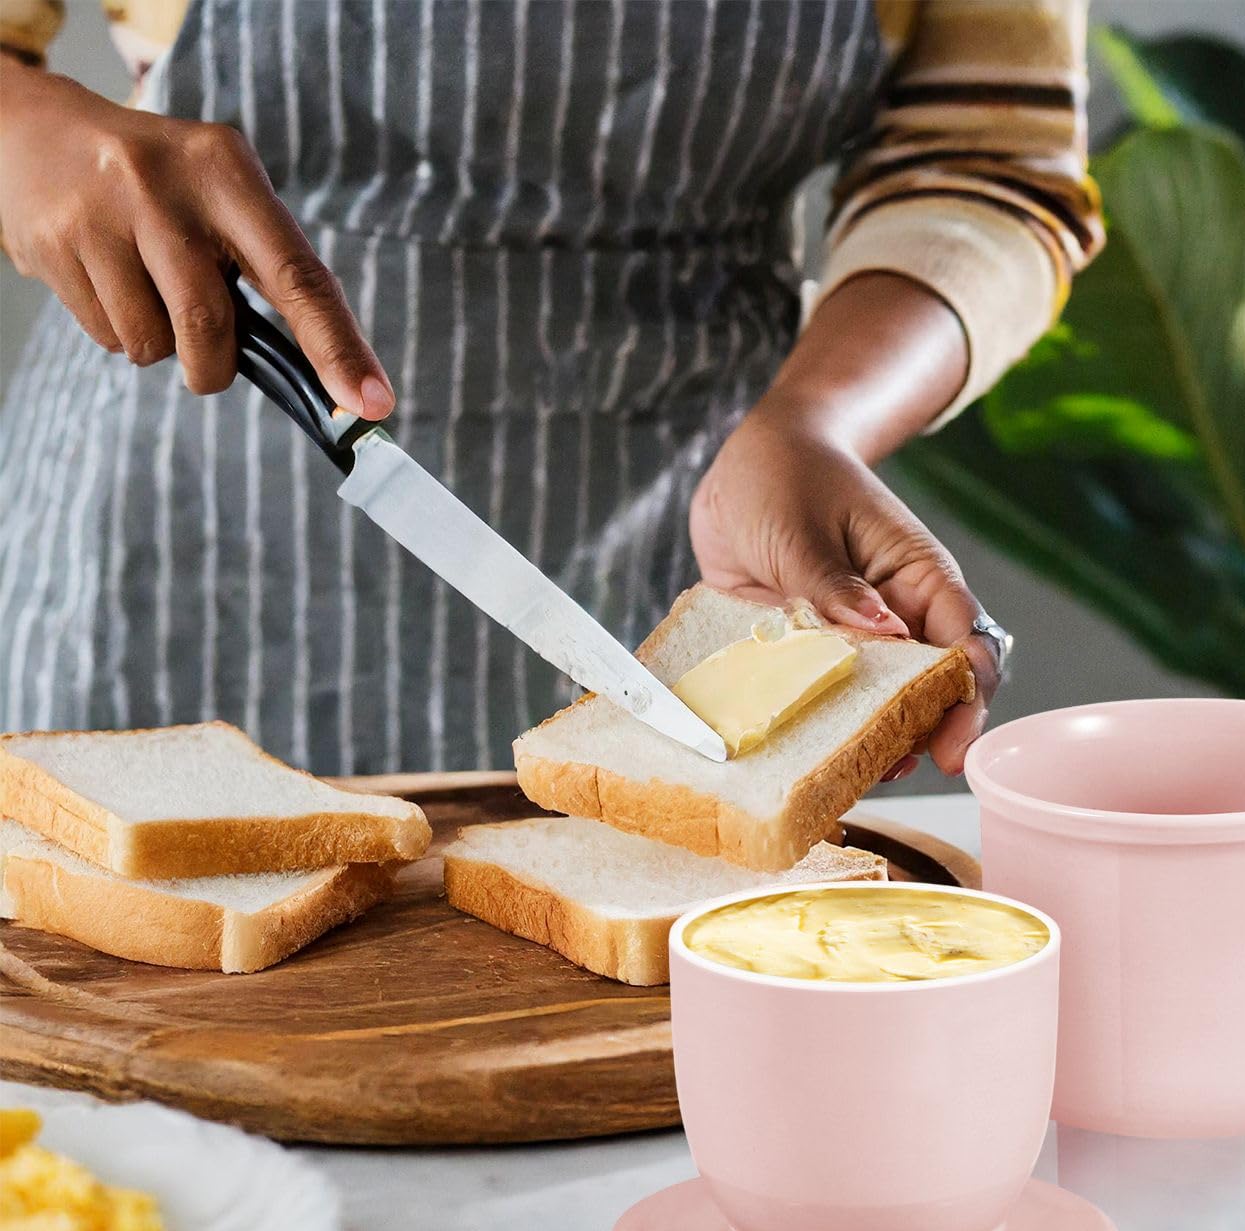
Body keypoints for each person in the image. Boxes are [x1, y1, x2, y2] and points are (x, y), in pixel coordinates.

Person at [0, 0, 1100, 777]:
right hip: (179, 507)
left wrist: (819, 419)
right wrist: (29, 136)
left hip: (700, 538)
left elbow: (987, 157)